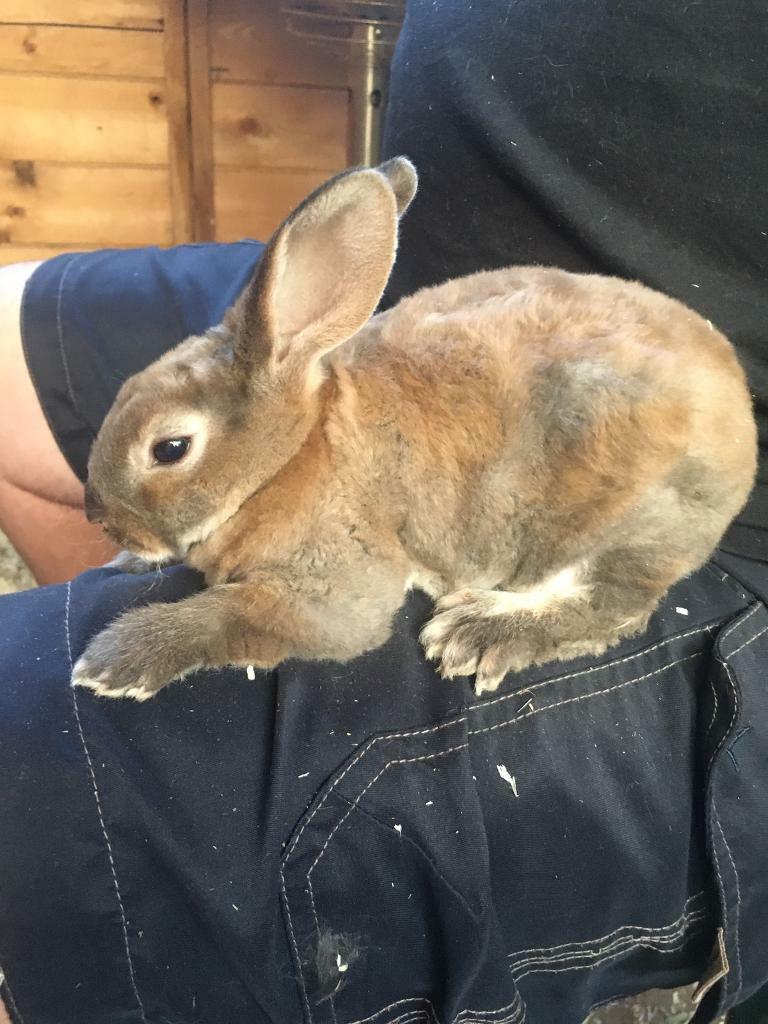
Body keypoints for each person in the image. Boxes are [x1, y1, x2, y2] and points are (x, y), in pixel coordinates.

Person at [1, 2, 767, 1022]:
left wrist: (180, 631)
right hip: (453, 277)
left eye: (172, 457)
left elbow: (344, 615)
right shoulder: (276, 378)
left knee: (33, 814)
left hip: (678, 485)